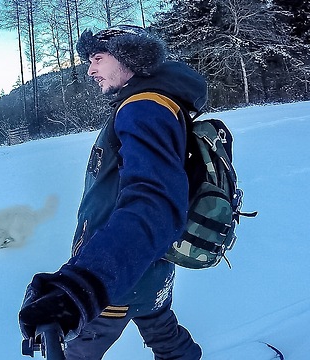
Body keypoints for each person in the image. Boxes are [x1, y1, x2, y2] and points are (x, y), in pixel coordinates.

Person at [18, 25, 207, 359]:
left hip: (116, 276)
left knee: (78, 353)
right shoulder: (156, 103)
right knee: (164, 334)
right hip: (150, 267)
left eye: (98, 58)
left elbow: (154, 201)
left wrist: (80, 289)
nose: (90, 70)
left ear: (130, 56)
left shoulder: (144, 107)